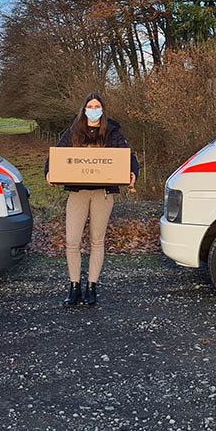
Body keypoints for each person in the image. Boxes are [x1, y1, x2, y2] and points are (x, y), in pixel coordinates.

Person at [45, 92, 139, 308]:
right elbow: (57, 156)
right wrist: (49, 171)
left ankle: (92, 286)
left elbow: (127, 156)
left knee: (97, 240)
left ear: (102, 109)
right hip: (77, 193)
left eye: (97, 106)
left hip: (102, 194)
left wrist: (133, 172)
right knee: (72, 241)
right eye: (90, 106)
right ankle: (74, 286)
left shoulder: (113, 131)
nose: (94, 109)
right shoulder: (74, 131)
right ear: (84, 109)